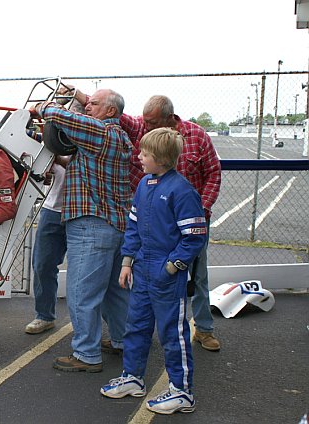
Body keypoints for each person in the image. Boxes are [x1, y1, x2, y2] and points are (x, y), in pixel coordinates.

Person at [69, 88, 222, 351]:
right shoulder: (140, 127)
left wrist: (200, 213)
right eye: (144, 120)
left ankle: (203, 329)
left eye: (151, 122)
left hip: (188, 221)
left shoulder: (197, 136)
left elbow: (213, 175)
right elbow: (113, 110)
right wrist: (79, 95)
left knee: (197, 275)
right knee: (148, 274)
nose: (145, 126)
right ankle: (153, 333)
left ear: (169, 119)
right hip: (155, 221)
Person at [100, 128, 207, 415]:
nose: (139, 157)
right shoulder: (145, 185)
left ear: (160, 158)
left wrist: (173, 267)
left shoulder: (182, 191)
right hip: (142, 272)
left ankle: (182, 392)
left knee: (173, 334)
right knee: (136, 326)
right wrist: (126, 262)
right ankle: (133, 377)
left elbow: (195, 236)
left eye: (144, 154)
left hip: (166, 275)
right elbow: (133, 228)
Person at [31, 88, 132, 372]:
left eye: (94, 104)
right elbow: (87, 167)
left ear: (111, 111)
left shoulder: (100, 132)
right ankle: (123, 341)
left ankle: (86, 354)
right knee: (115, 291)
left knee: (81, 292)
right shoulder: (118, 138)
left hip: (91, 225)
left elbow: (55, 114)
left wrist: (41, 105)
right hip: (115, 226)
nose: (88, 107)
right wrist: (62, 162)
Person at [24, 155, 70, 334]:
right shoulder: (52, 144)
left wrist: (58, 160)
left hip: (81, 211)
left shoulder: (85, 137)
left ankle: (87, 324)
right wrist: (45, 171)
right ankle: (44, 316)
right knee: (42, 265)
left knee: (82, 273)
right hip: (51, 210)